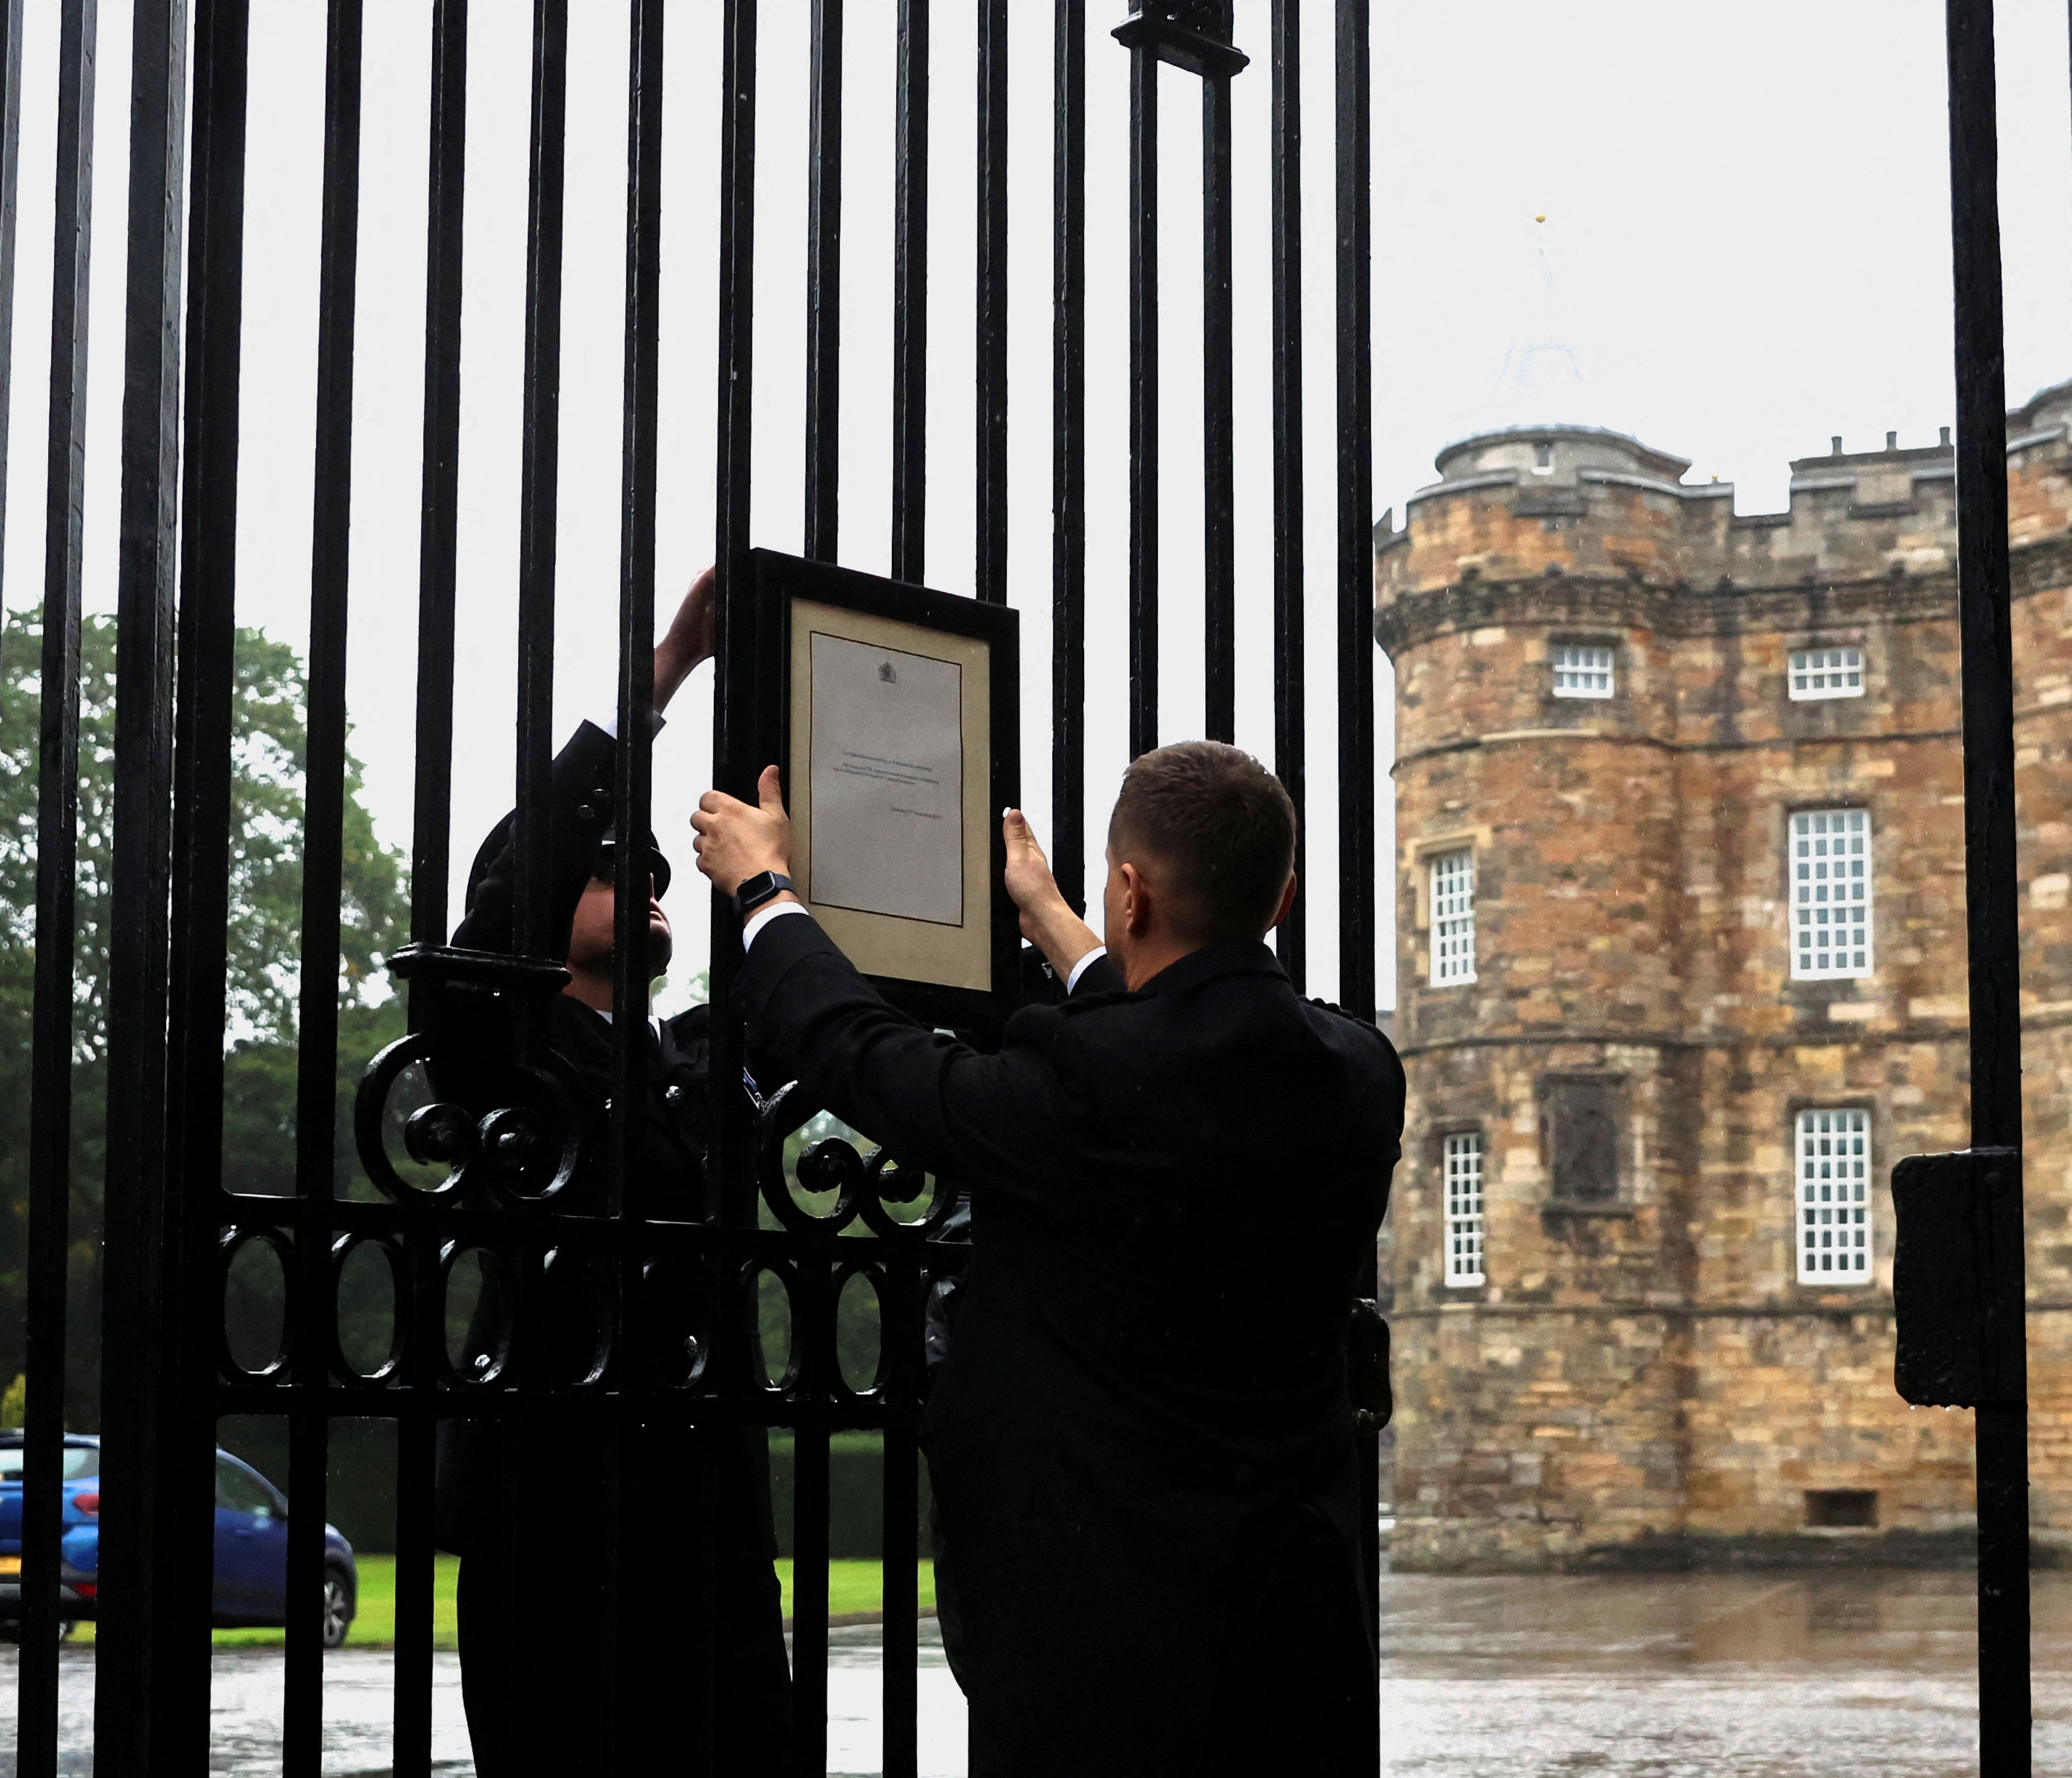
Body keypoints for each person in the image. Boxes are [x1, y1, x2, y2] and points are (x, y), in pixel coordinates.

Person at [691, 739, 1403, 1776]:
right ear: (1282, 896)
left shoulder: (1091, 1079)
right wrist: (1066, 928)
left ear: (1131, 888)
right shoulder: (1357, 1070)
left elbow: (866, 1055)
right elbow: (1185, 1047)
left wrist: (765, 892)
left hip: (1102, 1640)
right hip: (1292, 1630)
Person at [442, 568, 792, 1776]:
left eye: (655, 871)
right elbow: (500, 898)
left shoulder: (700, 1057)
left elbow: (834, 981)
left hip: (709, 1520)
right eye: (607, 869)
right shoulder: (505, 1049)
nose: (647, 880)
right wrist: (656, 680)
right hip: (557, 1511)